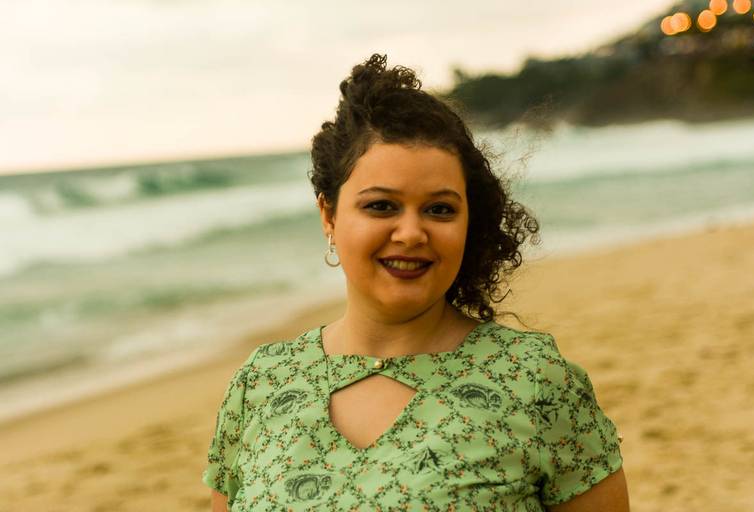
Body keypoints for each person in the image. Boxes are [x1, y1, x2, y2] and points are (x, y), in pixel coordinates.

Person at [202, 53, 629, 511]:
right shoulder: (261, 384)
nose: (411, 233)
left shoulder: (534, 380)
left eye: (439, 209)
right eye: (381, 206)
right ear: (329, 214)